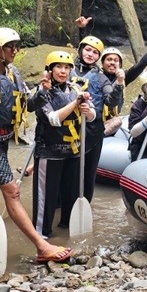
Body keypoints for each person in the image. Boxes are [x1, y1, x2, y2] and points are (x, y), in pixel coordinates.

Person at [0, 28, 74, 262]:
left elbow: (28, 106)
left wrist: (43, 91)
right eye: (10, 46)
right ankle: (41, 246)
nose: (15, 50)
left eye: (16, 46)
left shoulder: (13, 73)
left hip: (2, 139)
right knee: (12, 192)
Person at [29, 49, 95, 237]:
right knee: (47, 199)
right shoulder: (42, 92)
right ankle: (41, 235)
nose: (63, 71)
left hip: (73, 152)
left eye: (67, 67)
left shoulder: (75, 89)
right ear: (49, 70)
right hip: (49, 152)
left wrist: (86, 109)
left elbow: (91, 117)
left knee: (71, 196)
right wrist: (75, 104)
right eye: (58, 66)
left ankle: (68, 230)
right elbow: (53, 119)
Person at [64, 34, 114, 226]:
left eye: (95, 52)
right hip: (68, 130)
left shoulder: (101, 78)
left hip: (93, 131)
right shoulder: (66, 69)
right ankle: (63, 208)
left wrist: (116, 88)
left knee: (88, 174)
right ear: (80, 49)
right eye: (87, 49)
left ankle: (85, 206)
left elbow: (110, 97)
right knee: (68, 173)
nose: (90, 54)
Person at [98, 32, 147, 136]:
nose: (112, 62)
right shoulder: (95, 77)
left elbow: (140, 65)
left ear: (120, 64)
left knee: (117, 121)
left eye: (116, 60)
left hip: (111, 121)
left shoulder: (123, 77)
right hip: (95, 120)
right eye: (109, 59)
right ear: (102, 63)